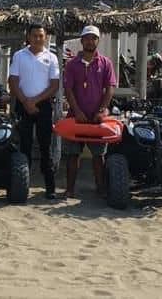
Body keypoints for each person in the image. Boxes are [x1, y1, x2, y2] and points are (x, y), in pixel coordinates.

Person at [62, 26, 117, 198]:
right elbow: (68, 90)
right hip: (76, 117)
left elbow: (110, 88)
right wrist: (77, 111)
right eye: (87, 38)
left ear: (98, 41)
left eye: (93, 38)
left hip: (96, 118)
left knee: (98, 156)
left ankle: (100, 189)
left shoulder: (106, 63)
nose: (90, 41)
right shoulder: (71, 65)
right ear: (81, 40)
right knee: (73, 154)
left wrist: (101, 111)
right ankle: (70, 189)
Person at [8, 24, 61, 199]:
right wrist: (25, 101)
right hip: (23, 106)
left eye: (41, 35)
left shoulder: (52, 57)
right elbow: (13, 81)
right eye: (35, 35)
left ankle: (50, 188)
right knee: (24, 146)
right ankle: (22, 186)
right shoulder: (19, 55)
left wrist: (35, 101)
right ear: (28, 37)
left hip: (43, 106)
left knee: (46, 147)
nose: (38, 39)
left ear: (45, 37)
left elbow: (54, 85)